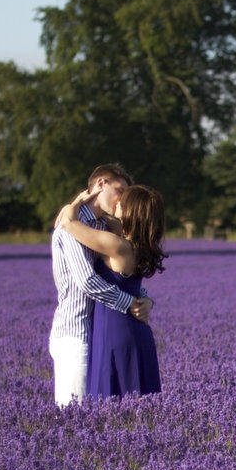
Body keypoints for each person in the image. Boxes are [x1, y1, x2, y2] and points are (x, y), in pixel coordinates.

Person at [48, 164, 153, 406]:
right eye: (119, 189)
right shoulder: (69, 227)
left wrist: (144, 298)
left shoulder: (103, 226)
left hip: (97, 332)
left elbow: (120, 271)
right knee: (75, 413)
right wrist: (130, 303)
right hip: (76, 333)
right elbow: (87, 281)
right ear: (101, 184)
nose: (122, 198)